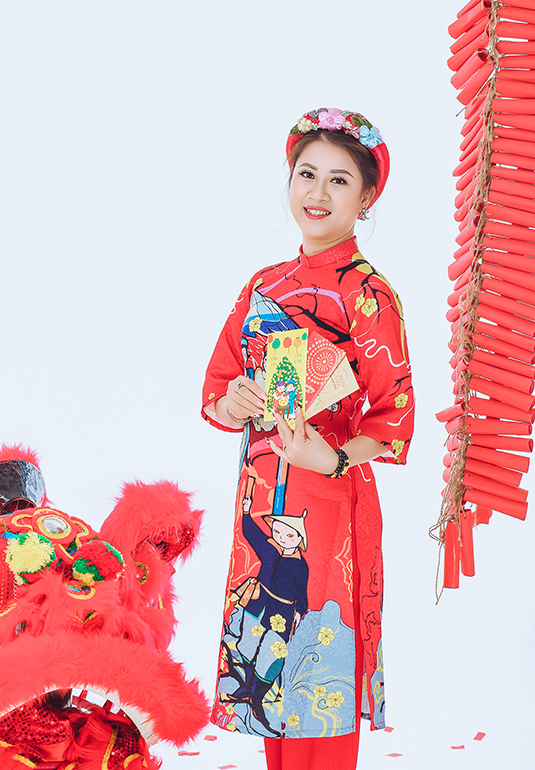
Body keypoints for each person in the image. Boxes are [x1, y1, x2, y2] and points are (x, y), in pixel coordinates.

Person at [202, 107, 415, 770]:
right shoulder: (262, 285)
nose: (317, 193)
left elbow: (395, 414)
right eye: (306, 174)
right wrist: (235, 401)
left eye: (339, 180)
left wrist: (335, 455)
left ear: (367, 196)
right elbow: (217, 390)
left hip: (328, 506)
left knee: (318, 671)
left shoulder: (370, 296)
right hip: (262, 498)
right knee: (270, 675)